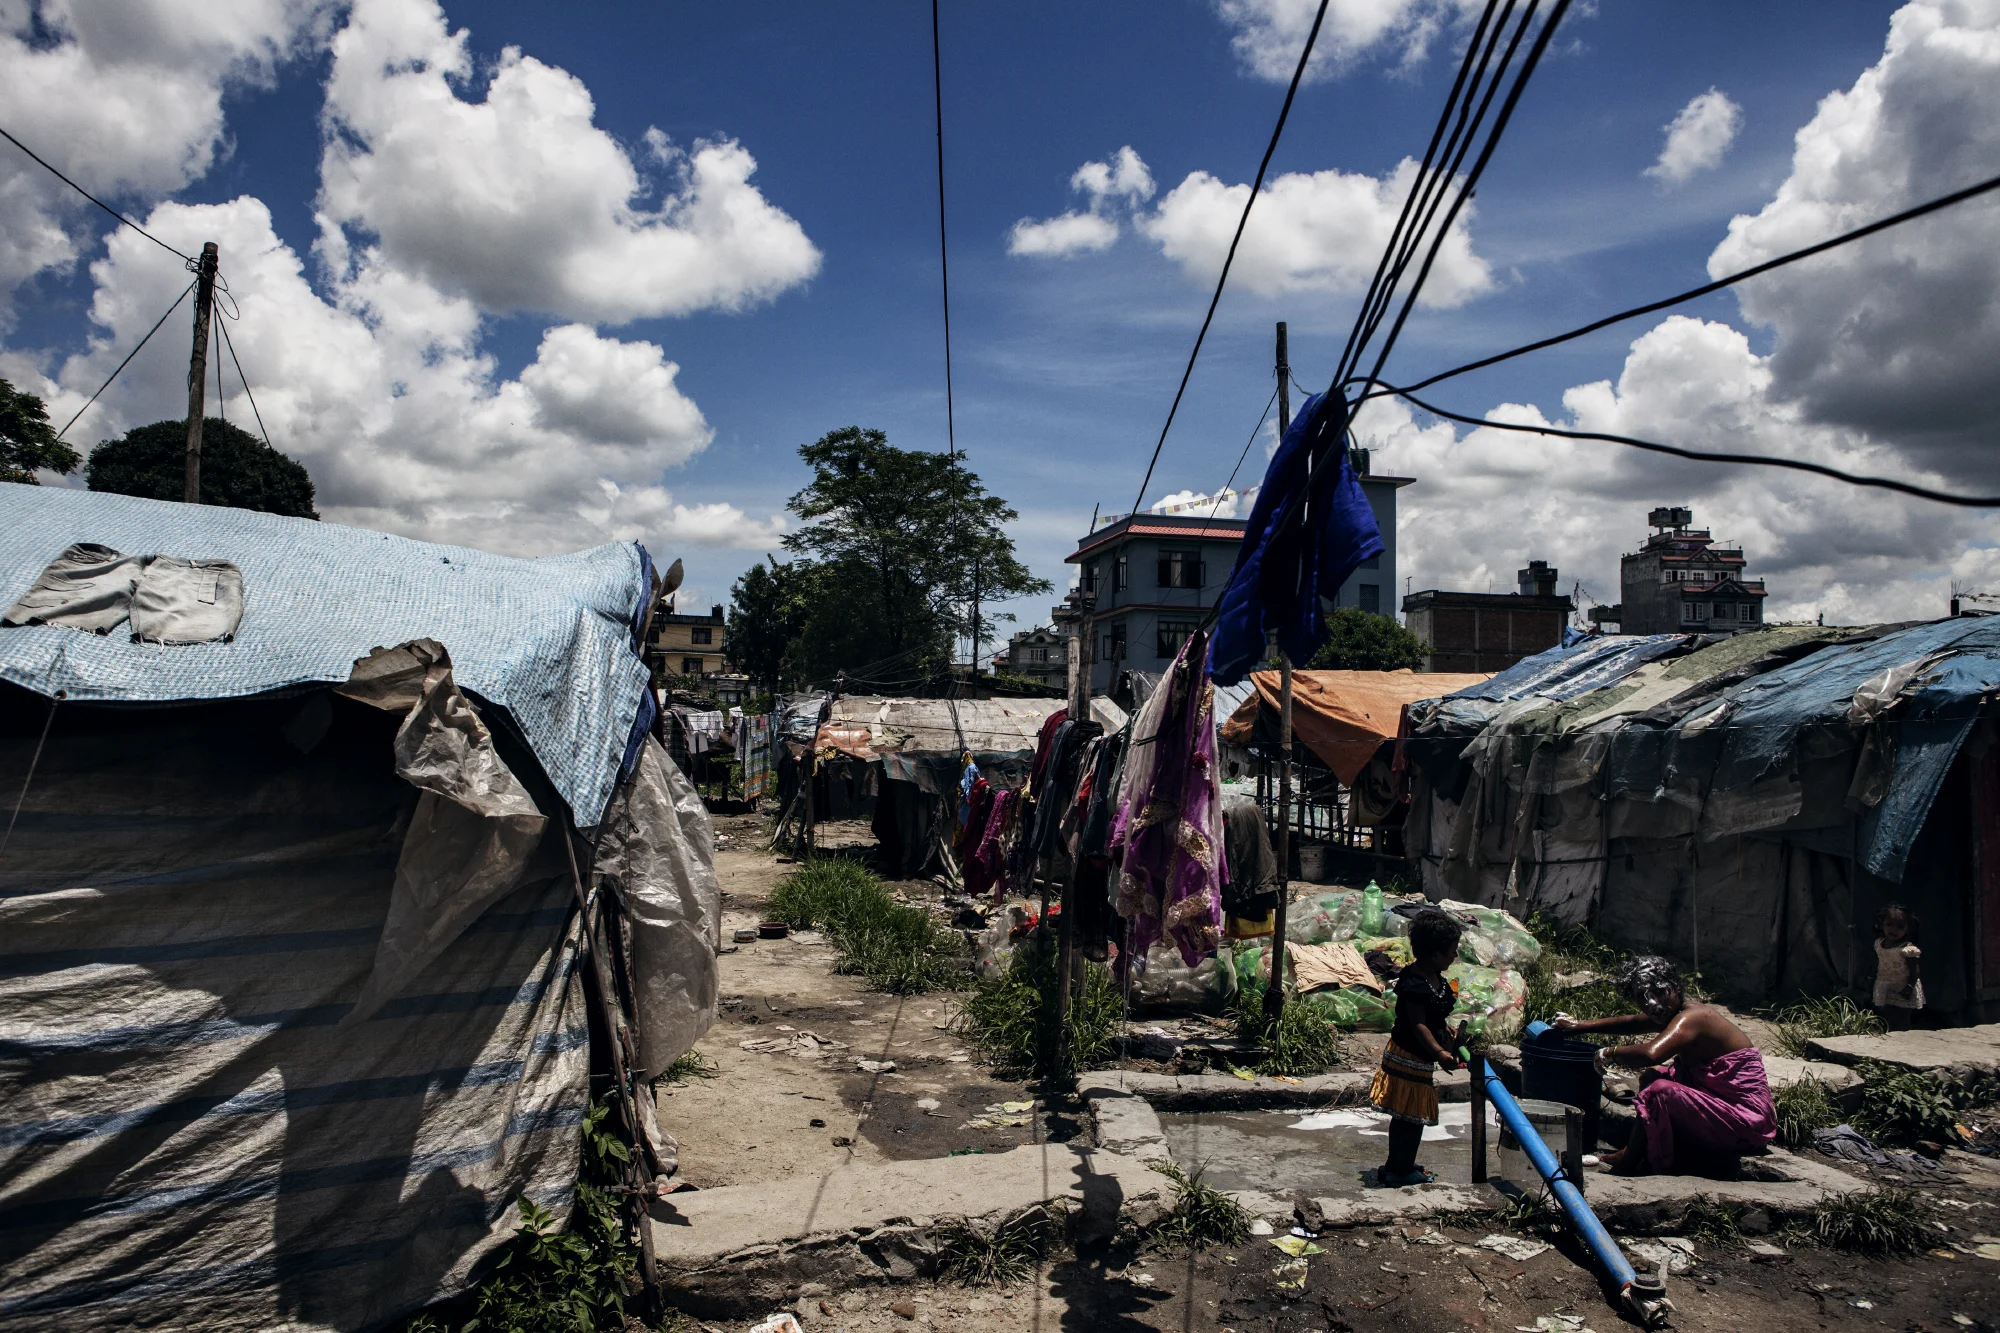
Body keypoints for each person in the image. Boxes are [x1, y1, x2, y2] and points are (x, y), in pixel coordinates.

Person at [1553, 956, 1775, 1175]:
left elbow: (1652, 1053)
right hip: (1725, 1110)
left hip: (1746, 1122)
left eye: (1659, 992)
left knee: (1659, 1091)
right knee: (1651, 1078)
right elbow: (1633, 1022)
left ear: (1677, 988)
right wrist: (1579, 1026)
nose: (1652, 1003)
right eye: (1642, 997)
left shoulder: (1694, 1017)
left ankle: (1628, 1163)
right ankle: (1635, 1150)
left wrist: (1608, 1053)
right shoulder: (1673, 1012)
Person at [1370, 910, 1468, 1187]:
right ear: (1434, 954)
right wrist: (1439, 1052)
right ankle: (1398, 1170)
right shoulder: (1413, 983)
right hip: (1409, 1054)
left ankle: (1399, 1164)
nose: (1455, 957)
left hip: (1419, 1054)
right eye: (1452, 951)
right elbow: (1418, 1025)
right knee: (1411, 1117)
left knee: (1408, 1116)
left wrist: (1445, 1028)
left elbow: (1432, 1017)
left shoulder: (1434, 977)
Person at [1872, 904, 1923, 1032]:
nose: (1893, 930)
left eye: (1899, 927)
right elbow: (1878, 962)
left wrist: (1909, 987)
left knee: (1902, 1018)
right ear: (1882, 924)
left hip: (1902, 987)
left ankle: (1904, 1042)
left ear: (1907, 929)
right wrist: (1870, 978)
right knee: (1887, 1016)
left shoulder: (1907, 949)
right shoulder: (1880, 944)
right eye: (1889, 924)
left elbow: (1914, 970)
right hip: (1885, 986)